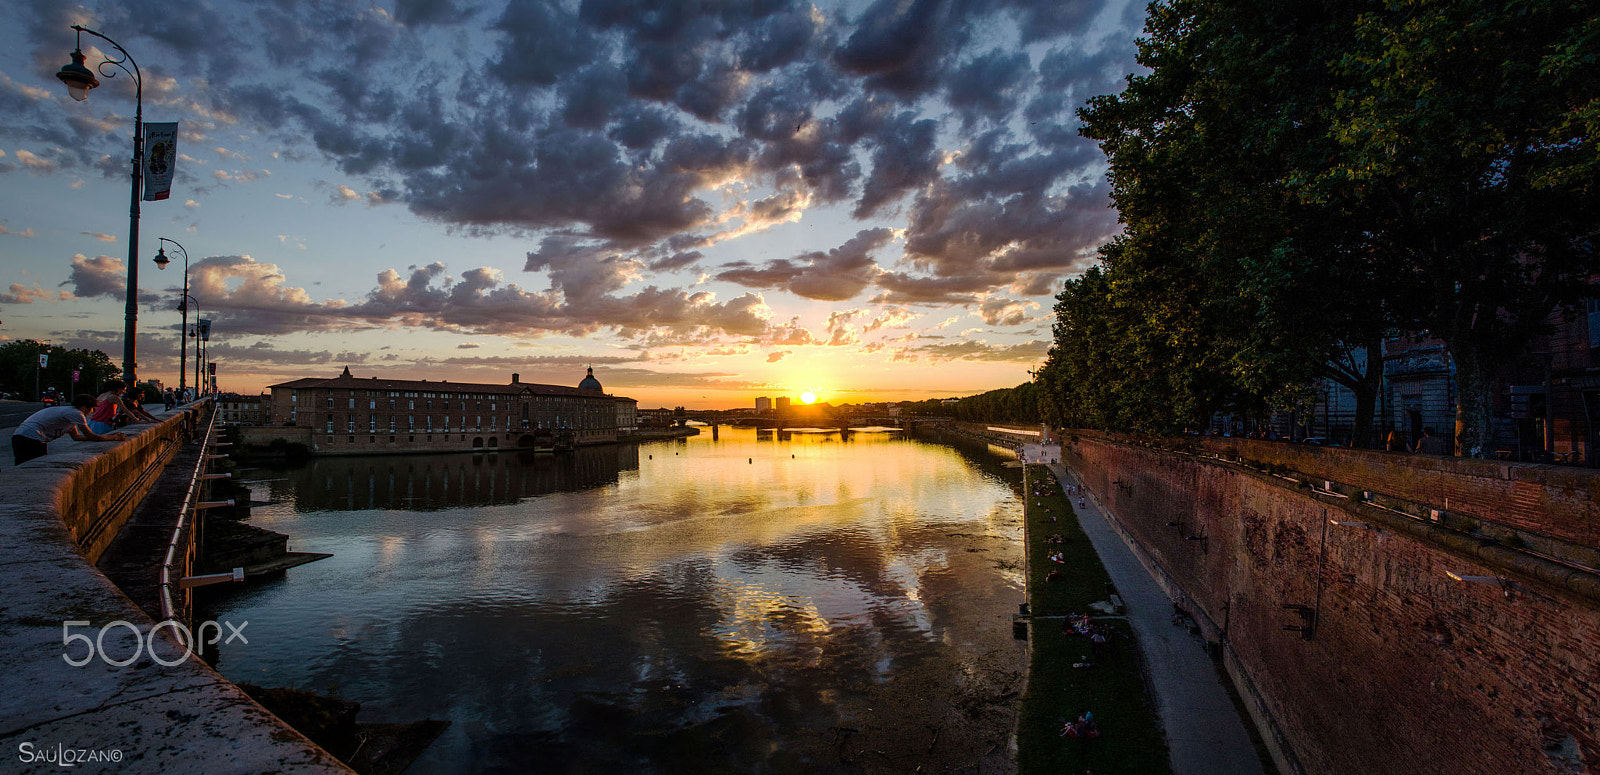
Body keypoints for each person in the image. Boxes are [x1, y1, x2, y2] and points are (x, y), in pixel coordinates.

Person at [12, 394, 127, 466]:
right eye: (91, 408)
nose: (91, 411)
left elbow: (76, 437)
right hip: (31, 439)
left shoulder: (69, 414)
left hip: (23, 437)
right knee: (31, 466)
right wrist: (114, 437)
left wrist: (109, 437)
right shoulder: (76, 414)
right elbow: (92, 436)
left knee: (24, 464)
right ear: (84, 407)